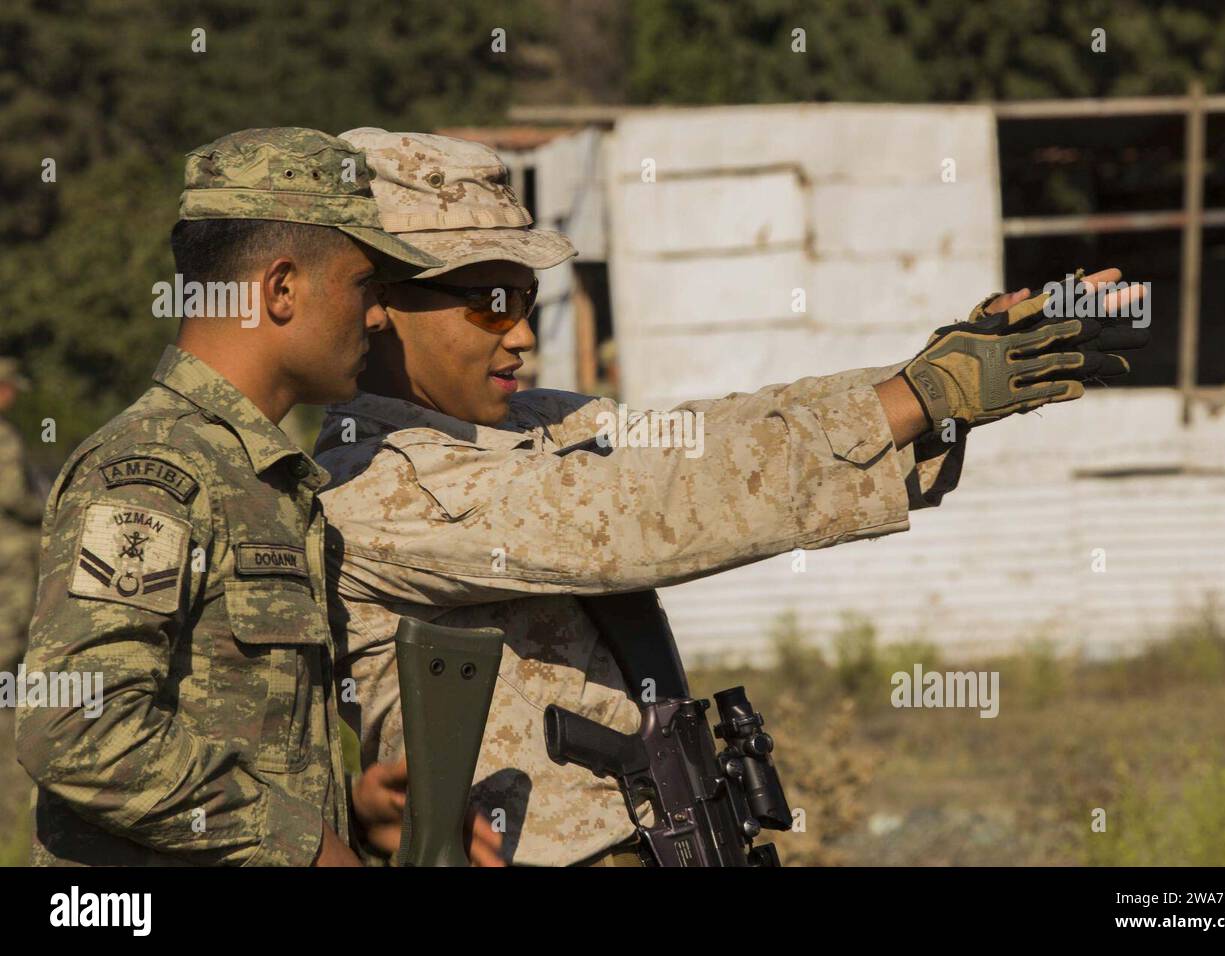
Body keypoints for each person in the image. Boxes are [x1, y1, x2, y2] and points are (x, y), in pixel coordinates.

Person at [315, 128, 1148, 866]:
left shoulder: (523, 424)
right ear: (380, 304)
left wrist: (935, 369)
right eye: (486, 303)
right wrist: (921, 396)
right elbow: (646, 513)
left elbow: (715, 437)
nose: (523, 334)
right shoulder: (373, 484)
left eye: (525, 299)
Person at [14, 127, 447, 866]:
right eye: (364, 285)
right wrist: (302, 845)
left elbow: (224, 725)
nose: (378, 316)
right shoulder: (153, 469)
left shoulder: (258, 474)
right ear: (281, 288)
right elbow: (77, 728)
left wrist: (346, 805)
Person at [0, 357, 41, 677]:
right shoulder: (4, 435)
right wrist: (47, 512)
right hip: (9, 544)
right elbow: (13, 496)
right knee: (11, 630)